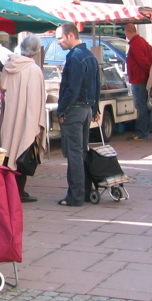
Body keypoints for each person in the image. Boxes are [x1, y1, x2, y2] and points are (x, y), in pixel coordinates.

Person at [55, 23, 101, 207]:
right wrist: (95, 108)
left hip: (74, 110)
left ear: (71, 36)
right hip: (87, 109)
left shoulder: (75, 58)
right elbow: (97, 85)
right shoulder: (90, 55)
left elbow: (71, 89)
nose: (58, 42)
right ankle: (84, 192)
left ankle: (75, 196)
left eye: (60, 38)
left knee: (74, 153)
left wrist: (62, 110)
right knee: (81, 152)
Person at [1, 35, 47, 203]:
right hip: (25, 118)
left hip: (8, 117)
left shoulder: (7, 66)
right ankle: (18, 191)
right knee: (22, 150)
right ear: (36, 51)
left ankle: (8, 188)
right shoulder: (33, 70)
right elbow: (36, 101)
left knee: (7, 151)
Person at [124, 23, 152, 140]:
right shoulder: (142, 42)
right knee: (146, 106)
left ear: (127, 32)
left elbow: (143, 61)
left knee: (140, 106)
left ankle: (142, 132)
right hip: (143, 78)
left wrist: (148, 73)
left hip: (139, 78)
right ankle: (147, 129)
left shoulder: (136, 44)